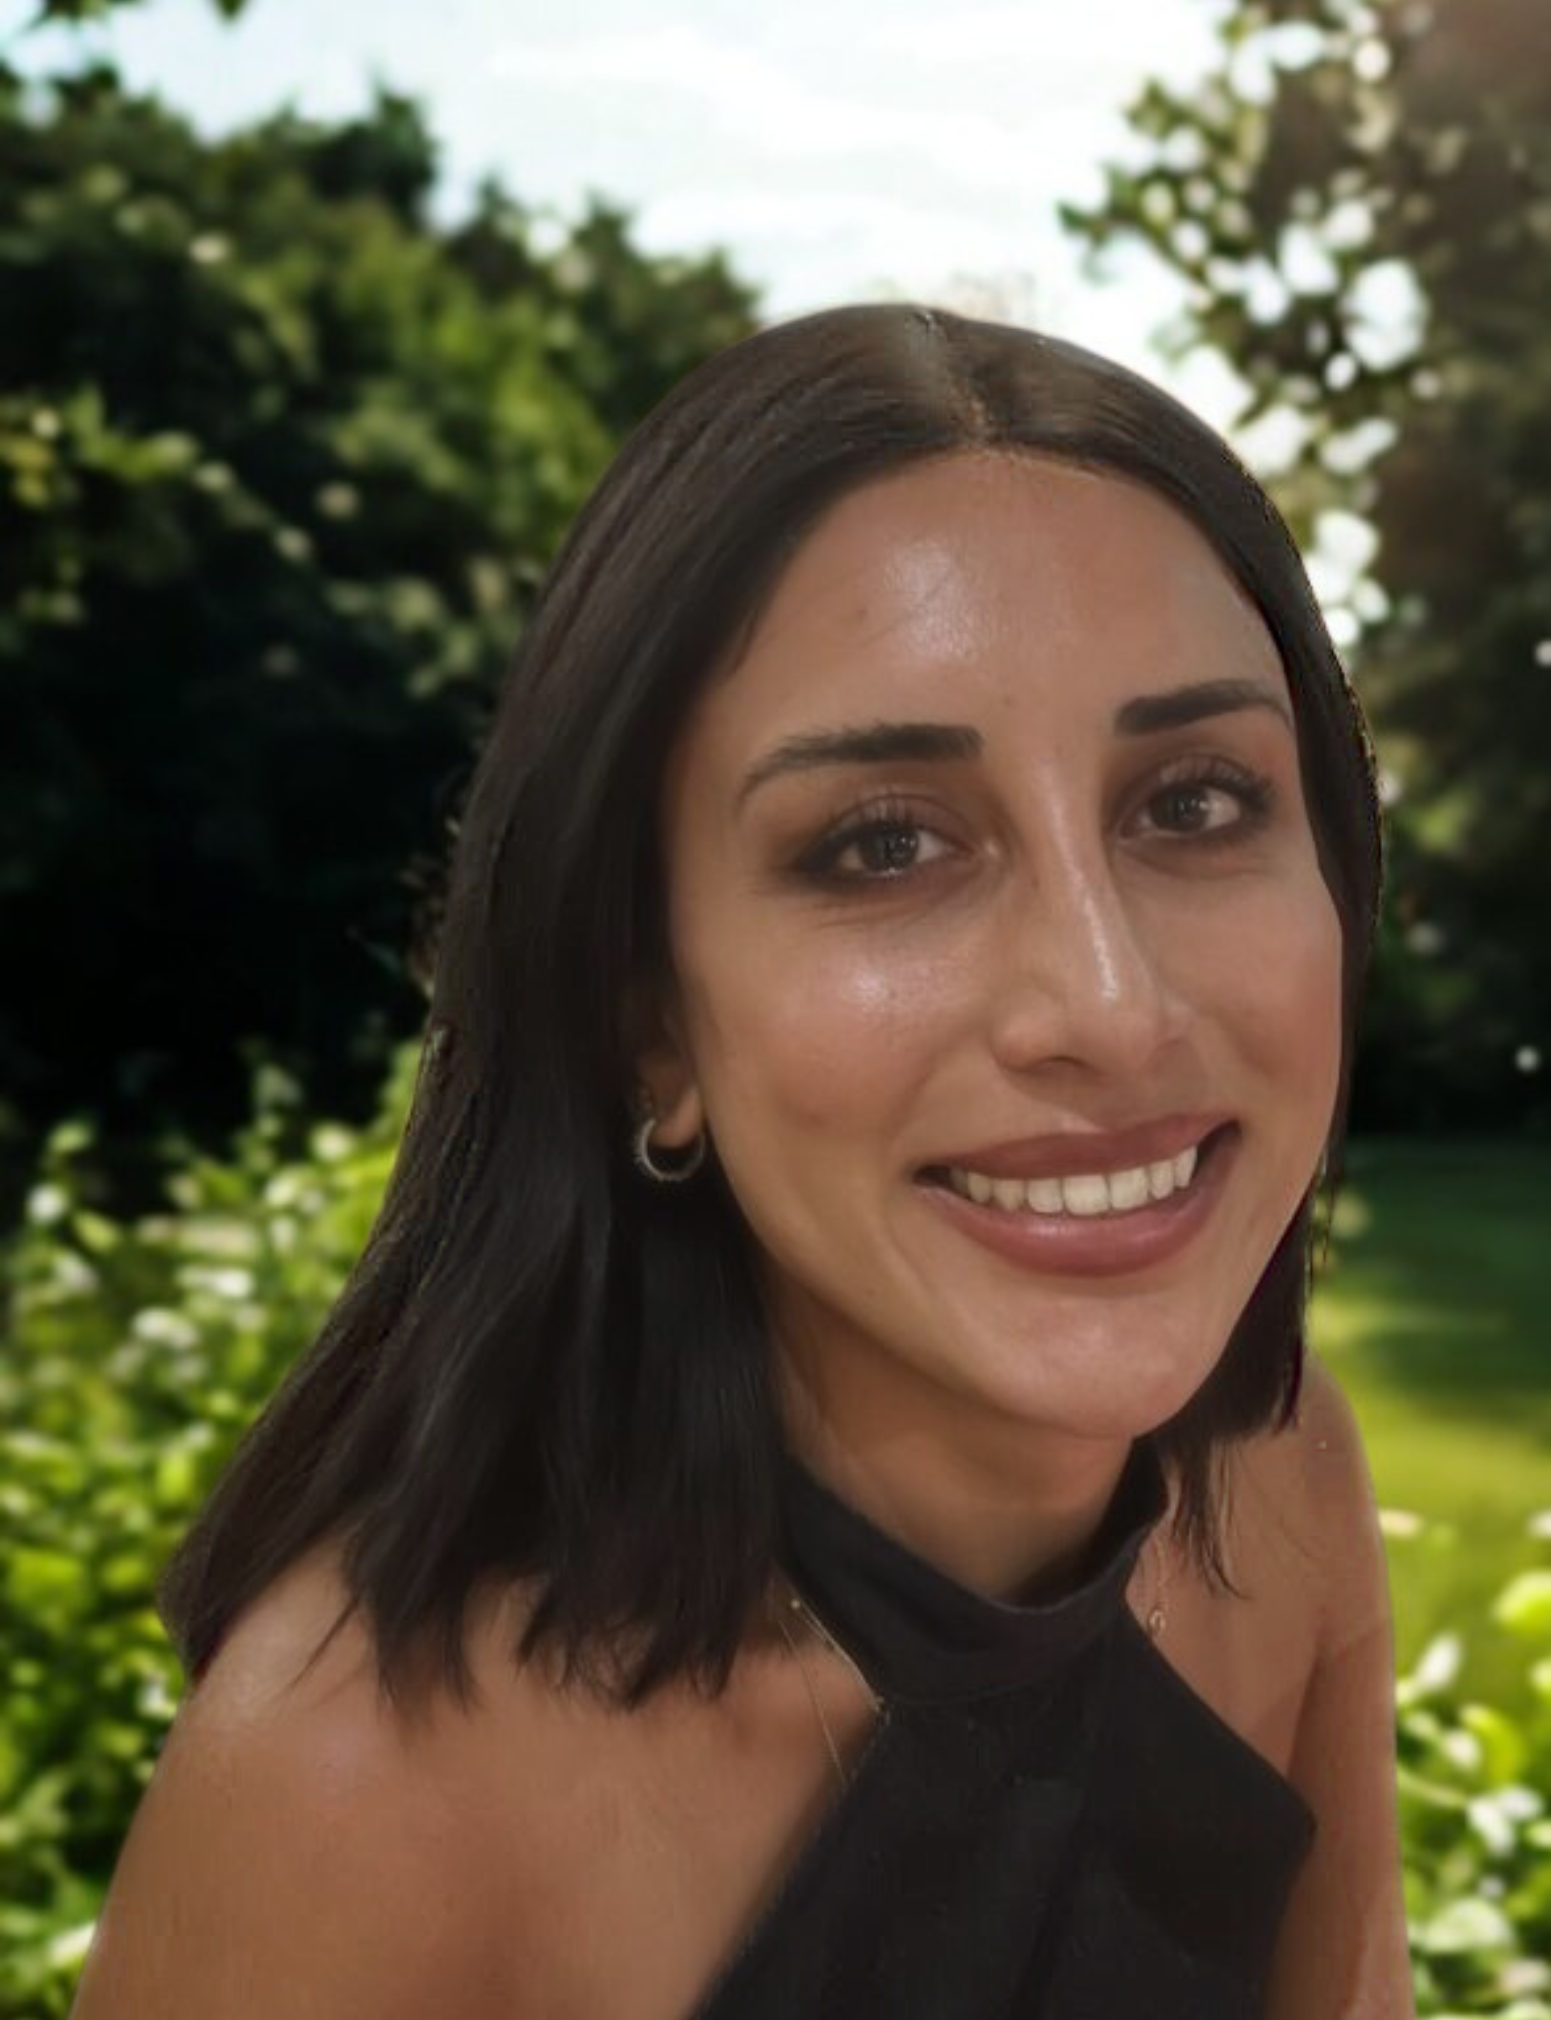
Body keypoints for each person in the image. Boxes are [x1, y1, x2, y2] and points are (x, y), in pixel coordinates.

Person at [69, 302, 1413, 2018]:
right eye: (884, 842)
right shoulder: (361, 1788)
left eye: (1192, 803)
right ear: (649, 1021)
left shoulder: (1279, 1485)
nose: (1106, 1002)